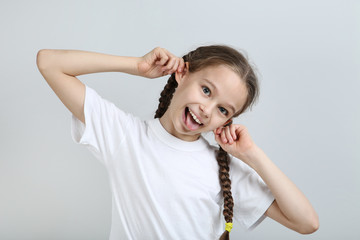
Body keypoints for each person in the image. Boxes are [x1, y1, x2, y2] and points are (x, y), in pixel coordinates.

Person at [36, 45, 319, 240]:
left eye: (223, 110)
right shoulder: (124, 135)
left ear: (228, 121)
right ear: (182, 74)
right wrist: (135, 65)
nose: (207, 110)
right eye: (206, 90)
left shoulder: (223, 168)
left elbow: (306, 222)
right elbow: (49, 62)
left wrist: (253, 155)